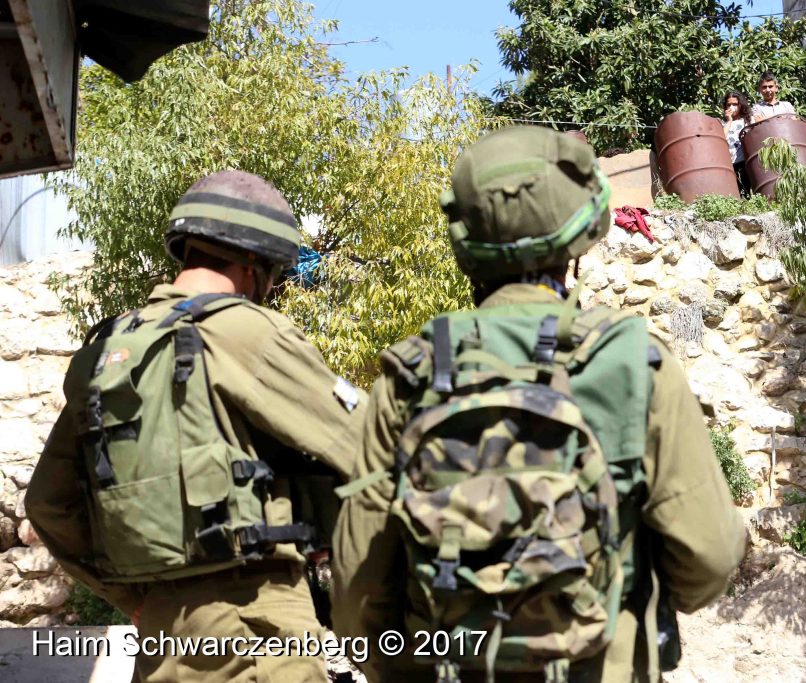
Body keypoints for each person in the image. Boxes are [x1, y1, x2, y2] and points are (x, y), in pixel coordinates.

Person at [332, 126, 747, 683]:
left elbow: (359, 598)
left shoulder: (410, 376)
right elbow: (709, 559)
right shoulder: (633, 362)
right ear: (575, 239)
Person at [26, 170, 365, 683]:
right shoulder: (250, 332)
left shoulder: (107, 353)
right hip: (260, 633)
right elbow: (372, 449)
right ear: (255, 267)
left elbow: (48, 505)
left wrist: (132, 598)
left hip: (160, 641)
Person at [722, 90, 754, 196]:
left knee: (749, 189)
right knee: (739, 193)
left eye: (735, 104)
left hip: (746, 162)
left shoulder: (748, 120)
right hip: (732, 163)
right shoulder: (724, 124)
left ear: (741, 105)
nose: (732, 107)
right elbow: (721, 137)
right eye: (729, 104)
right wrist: (729, 120)